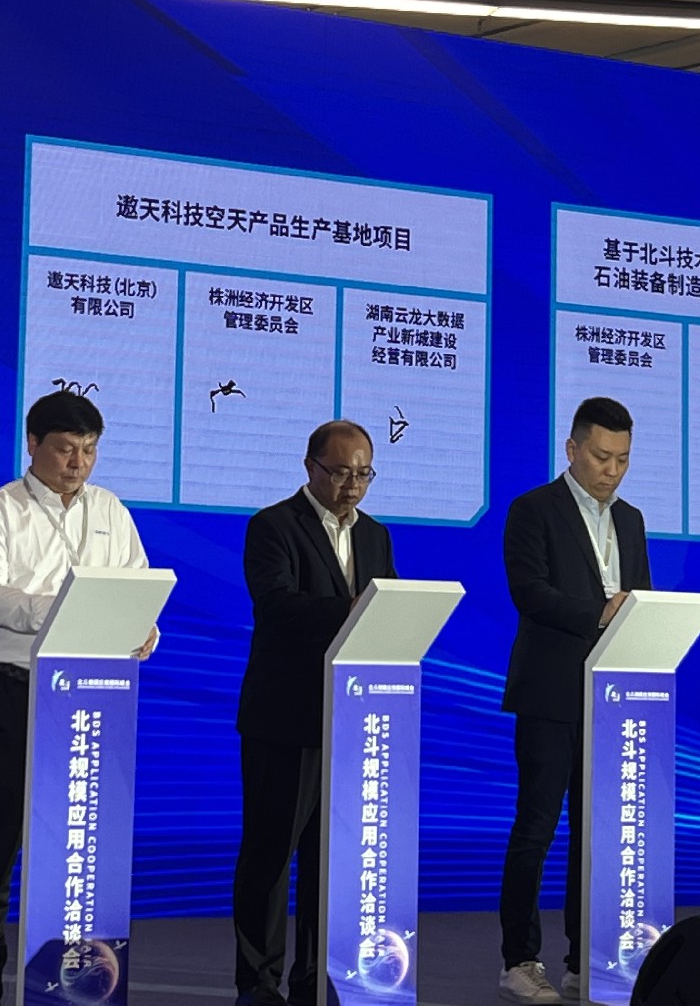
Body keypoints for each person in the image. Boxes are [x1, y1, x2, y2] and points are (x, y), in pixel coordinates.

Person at [0, 391, 156, 1006]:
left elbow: (138, 582)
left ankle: (74, 978)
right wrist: (66, 609)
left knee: (84, 840)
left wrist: (145, 626)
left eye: (89, 451)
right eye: (66, 449)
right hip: (18, 689)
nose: (78, 463)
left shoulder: (110, 509)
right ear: (33, 444)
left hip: (96, 697)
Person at [233, 419, 397, 1006]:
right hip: (285, 717)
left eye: (364, 474)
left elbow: (386, 609)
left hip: (351, 720)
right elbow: (275, 605)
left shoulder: (376, 535)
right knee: (271, 854)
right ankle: (258, 983)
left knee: (331, 859)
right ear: (311, 467)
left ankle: (314, 977)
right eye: (341, 472)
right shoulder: (273, 525)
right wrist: (351, 611)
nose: (352, 484)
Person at [499, 397, 651, 1006]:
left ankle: (583, 960)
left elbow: (640, 597)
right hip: (550, 692)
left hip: (613, 699)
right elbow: (529, 592)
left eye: (623, 459)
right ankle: (518, 960)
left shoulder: (632, 519)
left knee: (598, 833)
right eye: (601, 456)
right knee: (536, 828)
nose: (612, 470)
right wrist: (600, 612)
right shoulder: (533, 509)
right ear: (572, 449)